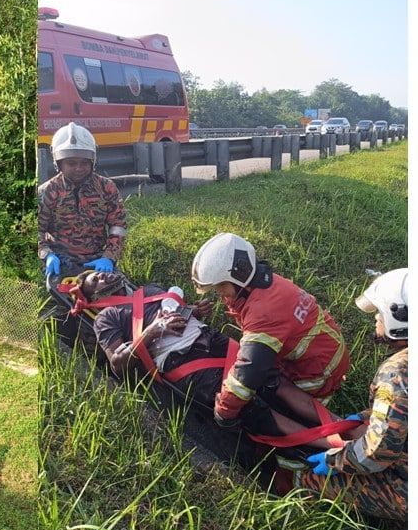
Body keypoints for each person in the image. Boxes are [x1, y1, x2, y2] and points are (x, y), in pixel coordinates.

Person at [81, 270, 349, 453]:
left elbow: (176, 313)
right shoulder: (107, 318)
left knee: (273, 380)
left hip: (208, 337)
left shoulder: (149, 290)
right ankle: (334, 445)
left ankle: (348, 427)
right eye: (94, 279)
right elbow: (118, 364)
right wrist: (153, 331)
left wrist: (193, 311)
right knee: (248, 406)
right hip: (182, 360)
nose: (102, 274)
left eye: (100, 272)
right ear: (94, 299)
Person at [191, 233, 351, 430]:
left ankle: (314, 452)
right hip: (323, 352)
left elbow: (248, 371)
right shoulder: (266, 284)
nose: (219, 292)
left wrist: (224, 411)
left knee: (289, 421)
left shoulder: (263, 312)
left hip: (317, 370)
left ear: (239, 276)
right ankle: (349, 430)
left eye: (221, 286)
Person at [301, 269, 408, 523]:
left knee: (310, 480)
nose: (376, 320)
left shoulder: (397, 374)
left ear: (399, 317)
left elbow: (376, 454)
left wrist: (336, 461)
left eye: (380, 314)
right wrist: (364, 417)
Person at [38, 122, 128, 280]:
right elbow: (36, 231)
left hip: (97, 260)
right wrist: (46, 255)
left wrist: (109, 256)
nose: (79, 168)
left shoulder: (107, 187)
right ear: (59, 163)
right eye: (71, 163)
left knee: (114, 292)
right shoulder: (48, 191)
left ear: (92, 162)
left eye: (84, 163)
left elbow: (118, 226)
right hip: (60, 261)